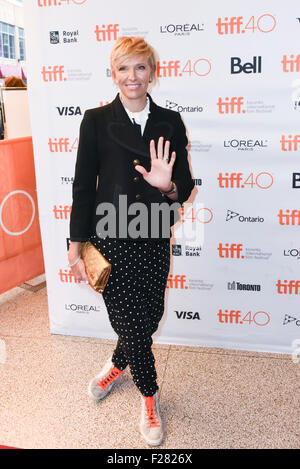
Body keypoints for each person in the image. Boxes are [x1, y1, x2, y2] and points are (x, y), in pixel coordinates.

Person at [68, 36, 194, 447]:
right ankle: (149, 395)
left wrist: (170, 185)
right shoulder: (96, 120)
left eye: (140, 67)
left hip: (154, 231)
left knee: (148, 318)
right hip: (110, 237)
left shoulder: (170, 121)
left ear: (151, 74)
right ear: (113, 74)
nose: (132, 76)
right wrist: (75, 243)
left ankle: (116, 364)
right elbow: (85, 186)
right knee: (131, 324)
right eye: (124, 68)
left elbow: (186, 183)